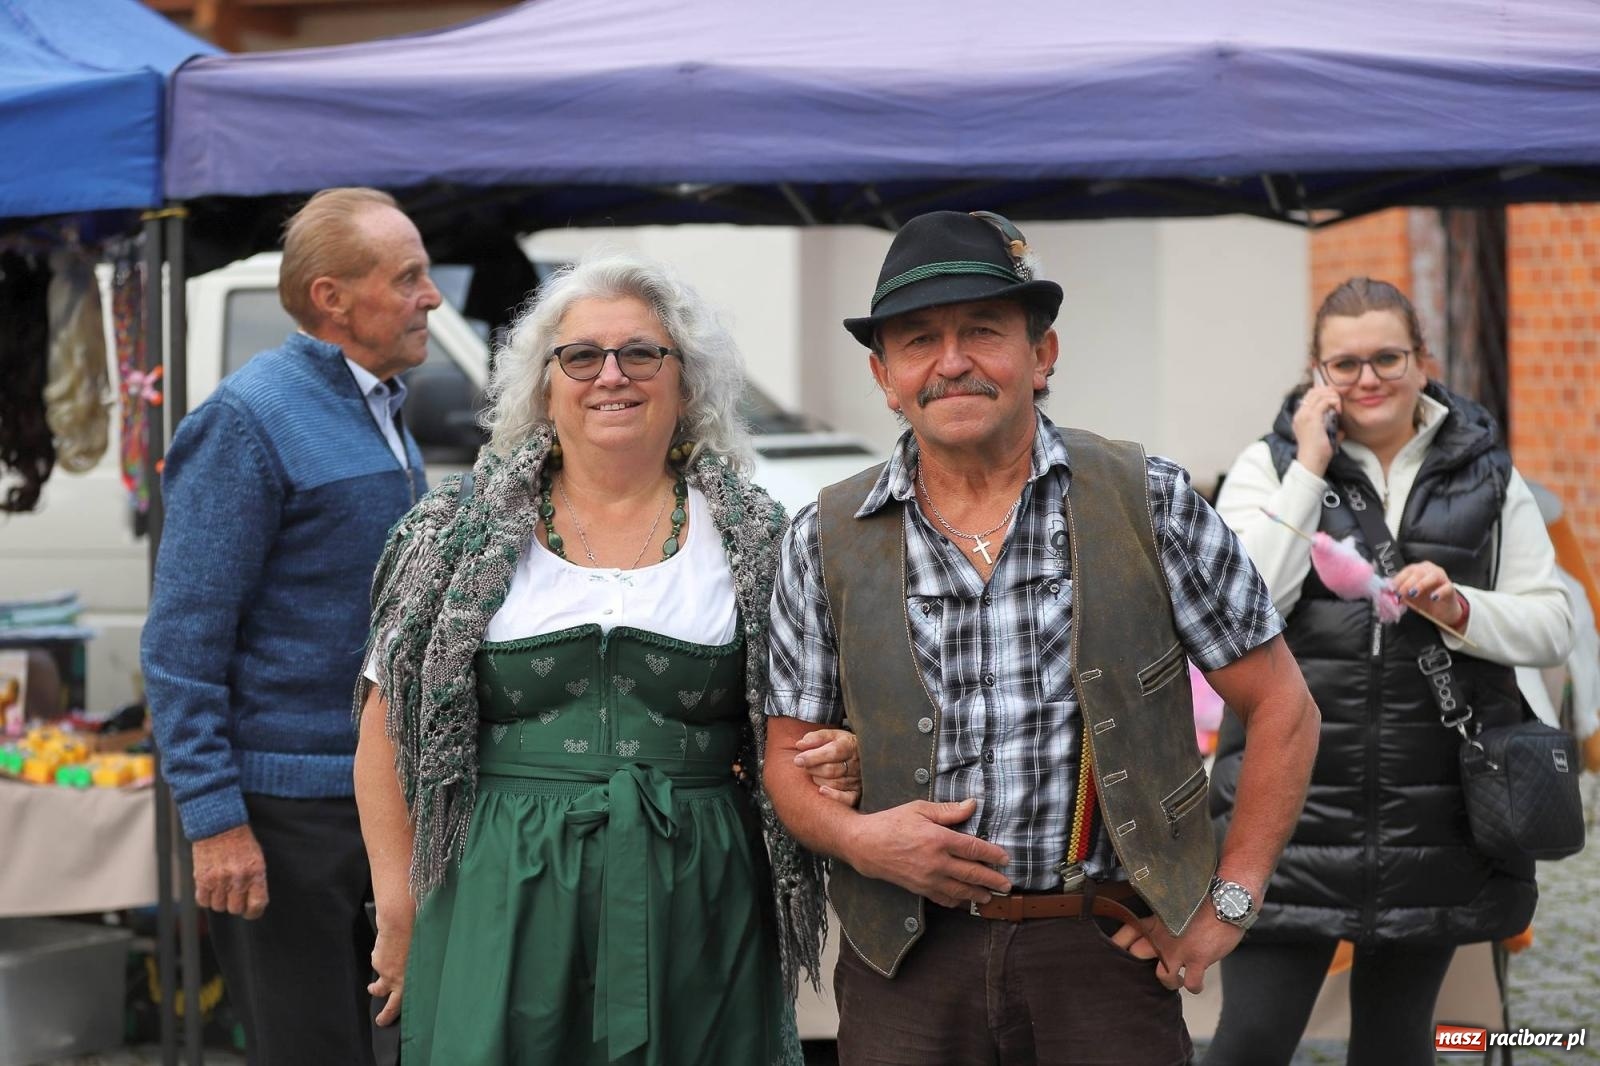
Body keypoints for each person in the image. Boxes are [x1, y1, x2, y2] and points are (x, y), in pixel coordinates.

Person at [761, 209, 1321, 1066]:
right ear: (884, 375)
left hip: (1101, 947)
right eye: (918, 342)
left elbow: (1283, 708)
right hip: (907, 963)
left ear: (1042, 355)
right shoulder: (824, 535)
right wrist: (863, 840)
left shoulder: (1147, 499)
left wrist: (1230, 905)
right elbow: (786, 763)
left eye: (982, 331)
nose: (951, 363)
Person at [354, 251, 857, 1065]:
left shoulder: (763, 537)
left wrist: (841, 750)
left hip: (697, 897)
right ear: (544, 386)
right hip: (496, 893)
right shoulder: (452, 533)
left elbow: (816, 712)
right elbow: (385, 726)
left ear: (686, 382)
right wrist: (398, 905)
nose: (610, 376)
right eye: (581, 356)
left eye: (641, 353)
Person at [1205, 277, 1575, 1066]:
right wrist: (1309, 467)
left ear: (1422, 360)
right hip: (1287, 808)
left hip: (1431, 813)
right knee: (1250, 1041)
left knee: (1397, 1047)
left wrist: (1460, 608)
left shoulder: (1486, 472)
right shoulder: (1267, 467)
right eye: (1345, 364)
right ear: (1315, 372)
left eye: (1387, 357)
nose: (1367, 379)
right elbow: (1238, 608)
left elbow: (1553, 624)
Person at [141, 187, 438, 1065]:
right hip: (284, 819)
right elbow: (180, 643)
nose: (432, 296)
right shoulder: (248, 421)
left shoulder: (382, 409)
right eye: (409, 277)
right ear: (331, 299)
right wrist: (215, 822)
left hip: (374, 800)